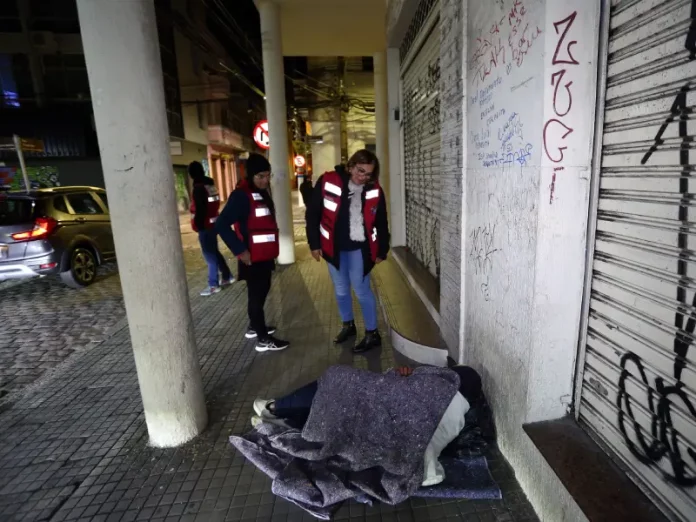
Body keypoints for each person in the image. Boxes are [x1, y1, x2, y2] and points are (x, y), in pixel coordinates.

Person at [306, 149, 390, 353]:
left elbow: (381, 221)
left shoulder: (374, 189)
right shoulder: (328, 181)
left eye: (368, 174)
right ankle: (348, 325)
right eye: (360, 171)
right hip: (333, 249)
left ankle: (372, 334)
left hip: (359, 250)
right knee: (341, 290)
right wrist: (314, 244)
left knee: (362, 291)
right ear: (350, 166)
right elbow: (313, 213)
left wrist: (382, 249)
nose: (363, 177)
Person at [215, 153, 289, 353]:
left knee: (261, 292)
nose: (265, 181)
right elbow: (221, 224)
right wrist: (240, 250)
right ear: (251, 176)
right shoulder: (241, 195)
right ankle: (263, 340)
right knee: (256, 296)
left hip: (263, 255)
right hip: (251, 257)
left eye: (267, 176)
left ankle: (254, 327)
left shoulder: (261, 192)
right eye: (260, 177)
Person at [188, 161, 233, 296]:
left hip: (205, 225)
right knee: (214, 251)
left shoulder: (199, 188)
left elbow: (201, 209)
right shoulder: (210, 185)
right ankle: (227, 276)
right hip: (214, 222)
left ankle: (213, 285)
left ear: (191, 174)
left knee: (209, 255)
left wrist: (198, 224)